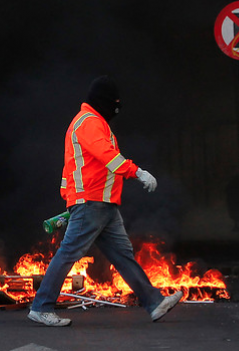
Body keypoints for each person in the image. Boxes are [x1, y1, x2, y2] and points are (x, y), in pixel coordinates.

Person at [28, 75, 183, 327]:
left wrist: (69, 196)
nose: (116, 110)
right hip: (92, 201)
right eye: (115, 105)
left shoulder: (89, 122)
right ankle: (41, 307)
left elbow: (70, 169)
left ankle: (154, 303)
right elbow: (107, 156)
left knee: (122, 255)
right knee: (69, 253)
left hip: (102, 204)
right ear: (105, 102)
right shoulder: (90, 123)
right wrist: (137, 172)